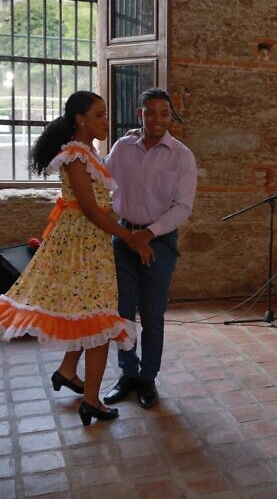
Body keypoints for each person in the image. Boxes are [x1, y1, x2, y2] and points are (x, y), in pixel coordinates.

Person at [0, 91, 153, 426]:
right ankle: (92, 401)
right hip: (82, 246)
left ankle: (69, 371)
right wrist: (129, 237)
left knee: (85, 312)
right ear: (80, 119)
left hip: (89, 244)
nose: (105, 121)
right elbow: (90, 209)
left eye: (106, 114)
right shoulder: (74, 154)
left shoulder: (87, 152)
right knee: (98, 319)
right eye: (99, 115)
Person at [102, 87, 197, 409]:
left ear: (171, 117)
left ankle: (148, 378)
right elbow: (103, 179)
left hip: (160, 242)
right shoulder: (123, 147)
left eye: (164, 113)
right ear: (139, 114)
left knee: (153, 314)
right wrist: (130, 236)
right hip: (124, 238)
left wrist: (150, 233)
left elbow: (183, 207)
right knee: (123, 311)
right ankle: (127, 374)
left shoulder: (181, 156)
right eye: (150, 112)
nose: (157, 119)